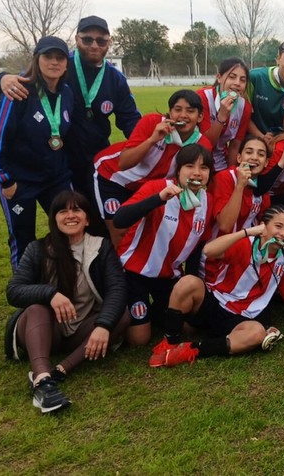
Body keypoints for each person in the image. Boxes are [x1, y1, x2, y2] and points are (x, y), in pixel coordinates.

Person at [5, 191, 130, 414]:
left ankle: (62, 369)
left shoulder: (101, 247)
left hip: (80, 330)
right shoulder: (38, 248)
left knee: (121, 315)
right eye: (63, 211)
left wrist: (103, 325)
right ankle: (42, 381)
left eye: (77, 210)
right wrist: (50, 294)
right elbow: (14, 291)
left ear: (88, 219)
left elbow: (117, 289)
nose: (70, 216)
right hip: (44, 329)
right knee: (36, 309)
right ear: (54, 219)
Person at [0, 16, 141, 203]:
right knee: (67, 216)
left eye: (101, 40)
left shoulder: (115, 78)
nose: (94, 45)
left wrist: (149, 145)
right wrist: (2, 79)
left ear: (109, 43)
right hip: (60, 162)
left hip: (95, 159)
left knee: (94, 216)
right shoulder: (61, 64)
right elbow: (26, 81)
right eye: (87, 39)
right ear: (77, 39)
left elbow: (130, 120)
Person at [148, 206, 284, 367]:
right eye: (278, 226)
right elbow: (209, 251)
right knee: (188, 282)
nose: (283, 233)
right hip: (216, 302)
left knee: (257, 333)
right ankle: (169, 342)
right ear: (263, 227)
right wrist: (246, 232)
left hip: (242, 317)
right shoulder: (246, 243)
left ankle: (190, 350)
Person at [0, 36, 75, 269]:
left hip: (55, 178)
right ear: (37, 59)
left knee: (71, 229)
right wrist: (6, 180)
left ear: (66, 63)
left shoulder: (66, 93)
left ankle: (70, 284)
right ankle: (26, 296)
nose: (54, 62)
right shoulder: (18, 91)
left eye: (60, 57)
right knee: (22, 238)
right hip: (19, 181)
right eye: (48, 56)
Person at [112, 144, 215, 346]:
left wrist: (188, 282)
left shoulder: (207, 201)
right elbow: (120, 220)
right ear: (178, 170)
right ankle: (122, 307)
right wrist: (159, 199)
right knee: (139, 340)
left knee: (188, 328)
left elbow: (196, 248)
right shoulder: (158, 188)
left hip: (168, 275)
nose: (196, 172)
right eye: (189, 166)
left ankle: (157, 311)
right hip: (134, 272)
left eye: (204, 168)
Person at [94, 89, 212, 245]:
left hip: (149, 188)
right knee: (120, 232)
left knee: (146, 233)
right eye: (177, 109)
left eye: (190, 111)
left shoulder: (202, 144)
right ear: (170, 112)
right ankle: (117, 268)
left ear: (200, 117)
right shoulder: (152, 122)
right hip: (113, 178)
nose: (183, 115)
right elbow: (124, 163)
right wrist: (152, 140)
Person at [197, 58, 253, 172]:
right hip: (195, 157)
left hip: (219, 161)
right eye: (232, 77)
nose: (237, 83)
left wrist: (230, 173)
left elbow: (234, 146)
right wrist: (222, 116)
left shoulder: (245, 107)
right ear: (219, 77)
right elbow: (207, 144)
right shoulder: (203, 97)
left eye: (242, 80)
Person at [212, 135, 271, 234]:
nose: (254, 158)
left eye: (261, 154)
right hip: (215, 244)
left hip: (243, 246)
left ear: (266, 162)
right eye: (249, 152)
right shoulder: (225, 177)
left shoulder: (263, 188)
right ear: (239, 158)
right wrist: (240, 185)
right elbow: (225, 225)